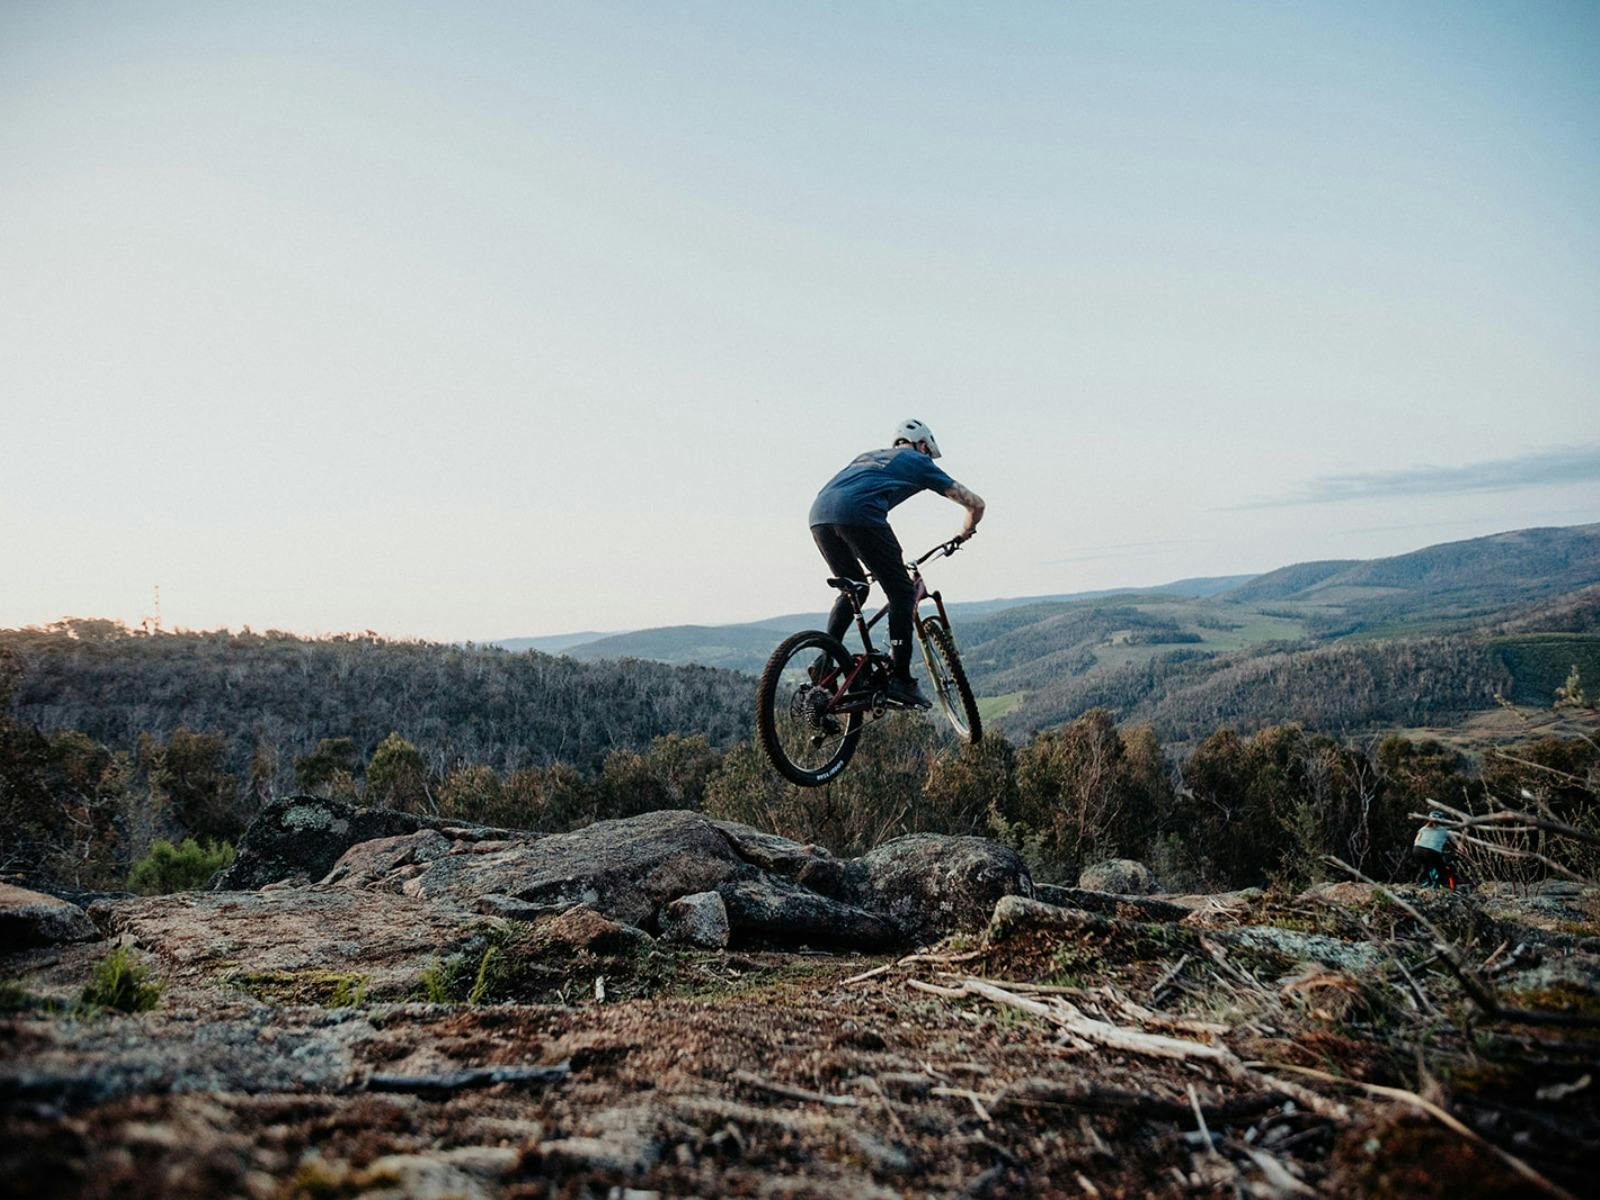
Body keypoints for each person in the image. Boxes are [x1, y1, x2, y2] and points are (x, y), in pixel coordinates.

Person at [808, 419, 985, 709]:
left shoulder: (868, 457)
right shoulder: (917, 460)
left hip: (819, 514)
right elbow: (976, 504)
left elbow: (845, 492)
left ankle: (825, 660)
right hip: (859, 514)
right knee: (902, 592)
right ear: (923, 445)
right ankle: (901, 679)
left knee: (855, 589)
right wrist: (964, 533)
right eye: (928, 453)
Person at [1412, 809, 1455, 886]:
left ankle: (1420, 882)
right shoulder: (1445, 830)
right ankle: (1442, 885)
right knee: (1441, 869)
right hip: (1431, 851)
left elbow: (1416, 840)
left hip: (1417, 850)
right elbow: (1455, 841)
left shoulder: (1423, 828)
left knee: (1425, 867)